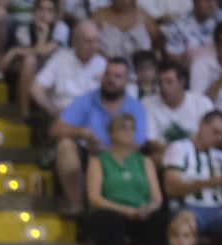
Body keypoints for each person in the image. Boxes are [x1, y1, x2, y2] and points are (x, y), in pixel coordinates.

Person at [48, 57, 148, 214]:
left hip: (120, 158)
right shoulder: (86, 100)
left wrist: (110, 151)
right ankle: (77, 206)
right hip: (89, 154)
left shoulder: (135, 107)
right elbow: (55, 129)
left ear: (126, 81)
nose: (110, 80)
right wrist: (81, 132)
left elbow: (138, 143)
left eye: (117, 76)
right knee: (65, 145)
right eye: (107, 74)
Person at [85, 111, 166, 245]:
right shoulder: (98, 160)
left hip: (141, 212)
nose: (128, 132)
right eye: (123, 128)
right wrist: (126, 210)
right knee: (109, 222)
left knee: (161, 220)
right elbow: (94, 198)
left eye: (132, 128)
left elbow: (157, 198)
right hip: (112, 210)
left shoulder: (145, 161)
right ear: (111, 133)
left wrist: (147, 209)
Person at [163, 111, 222, 245]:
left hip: (219, 209)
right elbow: (171, 188)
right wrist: (208, 183)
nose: (218, 138)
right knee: (185, 221)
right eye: (215, 132)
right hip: (188, 208)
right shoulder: (179, 148)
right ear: (201, 125)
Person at [28, 20, 105, 121]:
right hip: (65, 116)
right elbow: (35, 88)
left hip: (93, 118)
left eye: (96, 41)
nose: (94, 45)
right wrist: (53, 111)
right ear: (75, 42)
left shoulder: (102, 63)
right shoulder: (60, 59)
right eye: (88, 41)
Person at [143, 61, 214, 155]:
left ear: (182, 82)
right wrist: (177, 154)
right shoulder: (147, 103)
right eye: (160, 82)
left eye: (169, 82)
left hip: (199, 153)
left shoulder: (203, 103)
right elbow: (149, 140)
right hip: (164, 155)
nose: (164, 87)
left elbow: (212, 135)